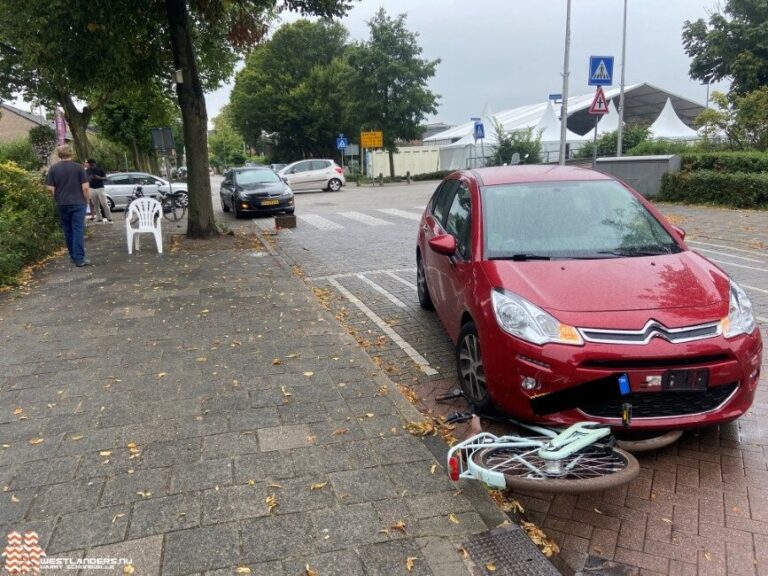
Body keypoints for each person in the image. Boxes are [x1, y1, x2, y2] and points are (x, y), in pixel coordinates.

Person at [46, 145, 91, 267]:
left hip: (62, 203)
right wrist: (87, 200)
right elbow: (85, 188)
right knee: (78, 230)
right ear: (71, 153)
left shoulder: (53, 169)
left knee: (68, 230)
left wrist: (56, 197)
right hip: (78, 202)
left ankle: (72, 256)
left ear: (59, 154)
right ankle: (79, 259)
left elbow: (50, 188)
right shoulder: (78, 168)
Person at [86, 158, 112, 223]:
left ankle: (109, 217)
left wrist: (99, 177)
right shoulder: (87, 170)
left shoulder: (100, 169)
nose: (91, 166)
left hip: (100, 188)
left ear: (94, 163)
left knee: (104, 203)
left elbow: (106, 178)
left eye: (92, 164)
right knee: (95, 204)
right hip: (92, 188)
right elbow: (85, 179)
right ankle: (99, 217)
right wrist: (90, 178)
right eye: (90, 165)